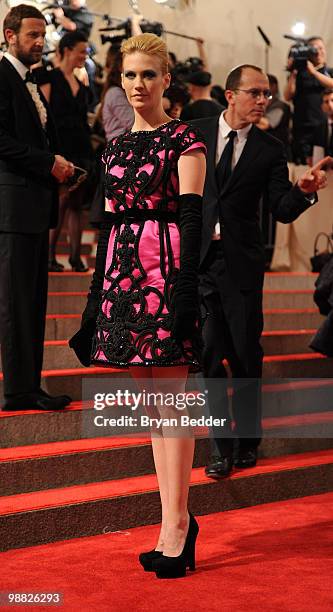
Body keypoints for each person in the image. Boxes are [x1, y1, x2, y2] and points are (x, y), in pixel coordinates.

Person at [72, 32, 206, 578]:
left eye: (148, 74)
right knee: (154, 408)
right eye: (129, 75)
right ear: (120, 80)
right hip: (122, 277)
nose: (138, 84)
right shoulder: (115, 148)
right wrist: (92, 300)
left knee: (172, 402)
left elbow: (193, 219)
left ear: (166, 80)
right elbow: (104, 228)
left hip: (166, 273)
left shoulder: (185, 141)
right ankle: (171, 523)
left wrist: (186, 290)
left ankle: (177, 526)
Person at [193, 64, 330, 479]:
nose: (264, 101)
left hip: (241, 267)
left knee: (244, 356)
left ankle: (248, 440)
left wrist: (302, 193)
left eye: (267, 94)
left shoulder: (270, 149)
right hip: (198, 263)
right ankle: (221, 448)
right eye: (256, 93)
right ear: (231, 96)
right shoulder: (194, 132)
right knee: (209, 357)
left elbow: (281, 210)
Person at [0, 4, 74, 411]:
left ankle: (28, 384)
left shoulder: (27, 79)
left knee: (32, 301)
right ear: (9, 35)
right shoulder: (1, 76)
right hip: (13, 206)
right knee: (16, 302)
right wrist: (48, 163)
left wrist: (59, 164)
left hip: (32, 204)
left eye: (42, 35)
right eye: (32, 35)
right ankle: (17, 390)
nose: (40, 42)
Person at [38, 31, 94, 272]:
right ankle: (49, 256)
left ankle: (74, 257)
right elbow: (43, 117)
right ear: (67, 49)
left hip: (81, 147)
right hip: (60, 147)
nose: (85, 55)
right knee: (60, 200)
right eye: (81, 50)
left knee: (77, 203)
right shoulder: (49, 77)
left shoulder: (81, 83)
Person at [284, 37, 333, 164]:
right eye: (314, 48)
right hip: (302, 128)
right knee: (303, 166)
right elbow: (287, 96)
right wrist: (293, 71)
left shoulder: (329, 72)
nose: (319, 51)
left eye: (321, 48)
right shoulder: (299, 73)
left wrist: (314, 73)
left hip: (324, 128)